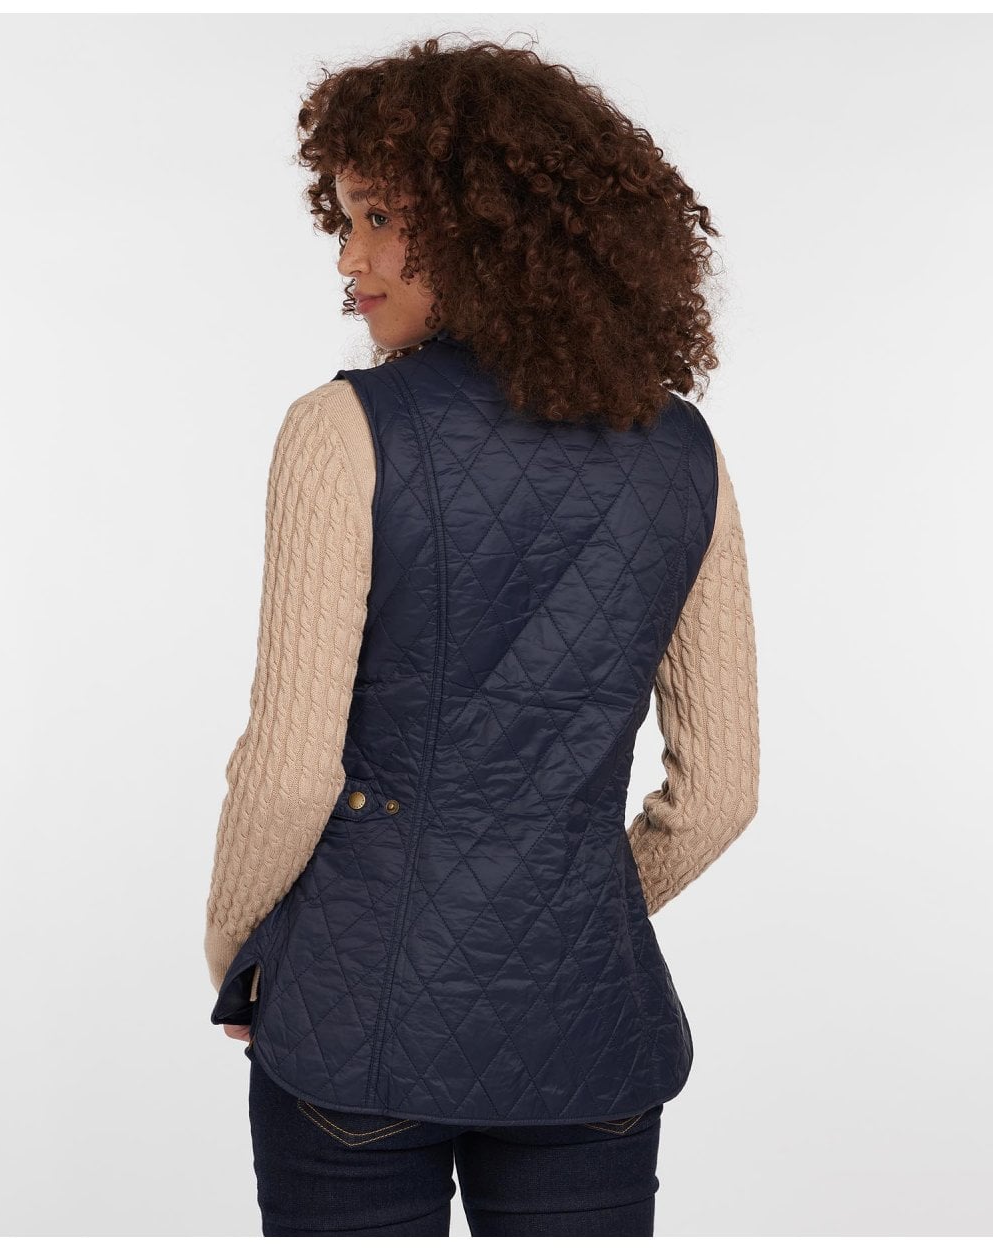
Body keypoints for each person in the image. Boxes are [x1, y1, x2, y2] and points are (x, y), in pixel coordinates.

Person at [204, 35, 759, 1238]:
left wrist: (244, 950)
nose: (348, 260)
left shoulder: (342, 429)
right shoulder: (685, 452)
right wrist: (562, 912)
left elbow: (290, 768)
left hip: (354, 1014)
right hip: (589, 1027)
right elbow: (720, 795)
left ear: (488, 227)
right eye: (342, 221)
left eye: (380, 219)